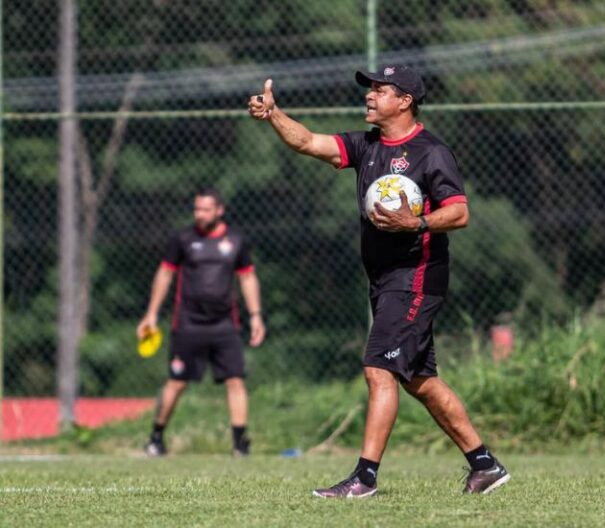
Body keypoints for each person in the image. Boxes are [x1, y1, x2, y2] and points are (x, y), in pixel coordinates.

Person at [248, 65, 508, 497]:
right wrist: (274, 115)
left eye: (380, 90)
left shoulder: (431, 153)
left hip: (416, 277)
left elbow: (459, 213)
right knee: (417, 380)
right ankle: (485, 465)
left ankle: (364, 477)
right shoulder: (366, 145)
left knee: (379, 368)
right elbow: (309, 142)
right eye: (369, 89)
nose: (369, 96)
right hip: (385, 278)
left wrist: (417, 222)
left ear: (404, 100)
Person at [137, 188, 266, 457]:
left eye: (205, 209)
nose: (200, 214)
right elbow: (164, 274)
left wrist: (255, 316)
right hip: (188, 323)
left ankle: (240, 444)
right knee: (176, 382)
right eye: (196, 209)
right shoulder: (183, 239)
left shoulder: (236, 241)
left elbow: (247, 278)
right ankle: (156, 438)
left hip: (224, 324)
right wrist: (151, 314)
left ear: (219, 210)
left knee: (235, 381)